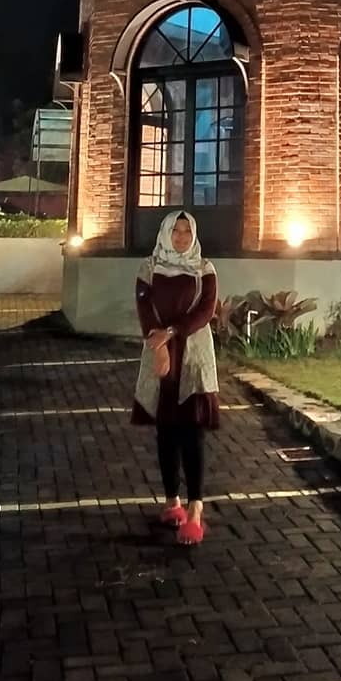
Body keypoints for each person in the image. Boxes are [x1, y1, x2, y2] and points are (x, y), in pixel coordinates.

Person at [130, 210, 219, 544]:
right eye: (175, 231)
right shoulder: (149, 267)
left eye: (186, 231)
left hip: (193, 355)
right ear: (165, 234)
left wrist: (171, 333)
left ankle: (195, 508)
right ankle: (172, 502)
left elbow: (205, 311)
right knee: (166, 430)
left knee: (192, 430)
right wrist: (159, 345)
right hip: (159, 353)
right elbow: (145, 308)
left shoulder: (204, 268)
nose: (181, 237)